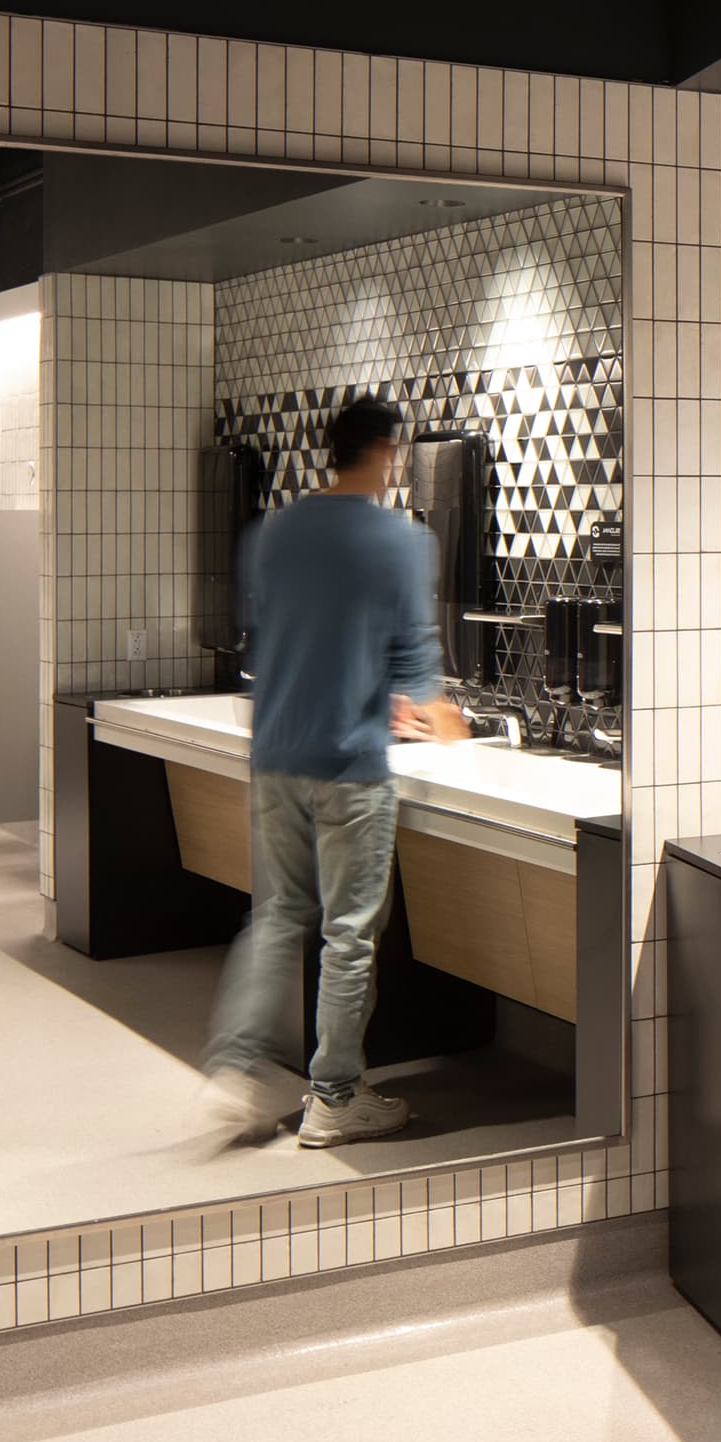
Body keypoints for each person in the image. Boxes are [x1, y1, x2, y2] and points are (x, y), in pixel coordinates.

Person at [200, 395, 462, 1148]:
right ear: (389, 451)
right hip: (348, 764)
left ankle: (234, 1069)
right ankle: (335, 1097)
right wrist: (435, 716)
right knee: (348, 932)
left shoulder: (272, 533)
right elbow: (414, 653)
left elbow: (283, 639)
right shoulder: (399, 541)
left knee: (278, 916)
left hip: (276, 751)